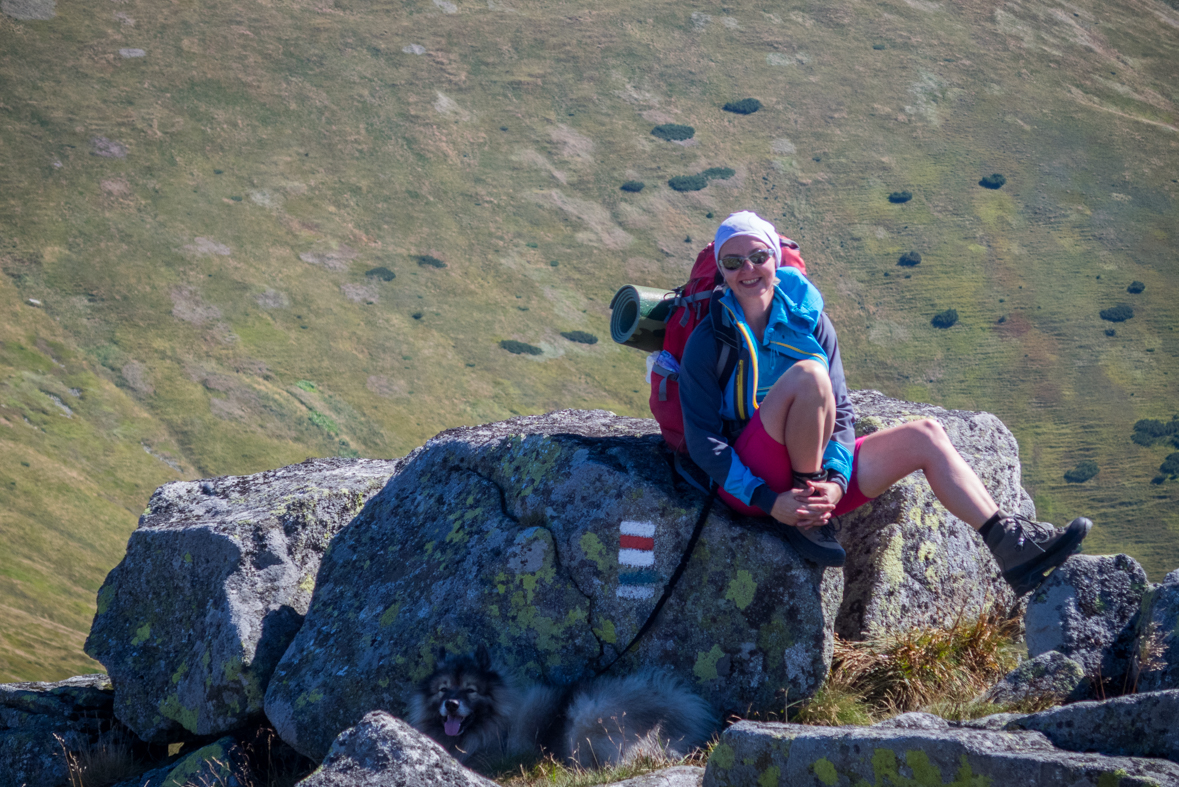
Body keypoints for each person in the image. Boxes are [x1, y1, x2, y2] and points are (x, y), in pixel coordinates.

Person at [678, 211, 1090, 595]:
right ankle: (807, 522)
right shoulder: (710, 339)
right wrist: (770, 500)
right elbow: (703, 441)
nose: (748, 270)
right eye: (733, 263)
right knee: (809, 376)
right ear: (722, 270)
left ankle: (1010, 545)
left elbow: (840, 415)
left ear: (774, 258)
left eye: (758, 256)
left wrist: (837, 485)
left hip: (821, 483)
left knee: (926, 435)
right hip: (753, 481)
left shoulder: (811, 320)